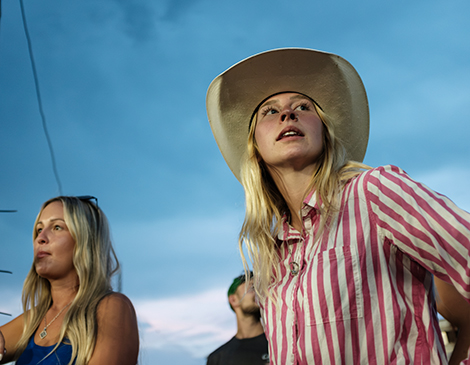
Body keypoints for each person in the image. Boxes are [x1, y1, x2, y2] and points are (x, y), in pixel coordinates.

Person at [206, 48, 470, 364]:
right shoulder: (272, 257)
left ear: (325, 134)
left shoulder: (375, 193)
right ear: (255, 149)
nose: (287, 114)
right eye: (270, 111)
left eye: (302, 107)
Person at [0, 196, 139, 365]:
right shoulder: (33, 320)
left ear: (85, 241)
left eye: (57, 227)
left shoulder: (111, 307)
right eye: (39, 230)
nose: (41, 238)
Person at [207, 272, 269, 365]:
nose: (259, 293)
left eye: (261, 288)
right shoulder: (218, 358)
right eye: (252, 288)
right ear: (233, 300)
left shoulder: (279, 345)